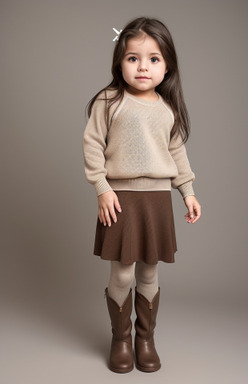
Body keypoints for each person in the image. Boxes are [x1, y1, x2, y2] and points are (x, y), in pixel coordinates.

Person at [82, 16, 201, 374]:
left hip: (158, 200)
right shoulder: (109, 100)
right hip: (120, 198)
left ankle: (144, 339)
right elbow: (91, 145)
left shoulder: (167, 110)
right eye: (133, 58)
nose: (143, 66)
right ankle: (120, 339)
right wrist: (101, 188)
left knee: (150, 273)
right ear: (120, 62)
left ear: (167, 67)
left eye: (153, 58)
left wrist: (188, 192)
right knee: (122, 274)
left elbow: (177, 154)